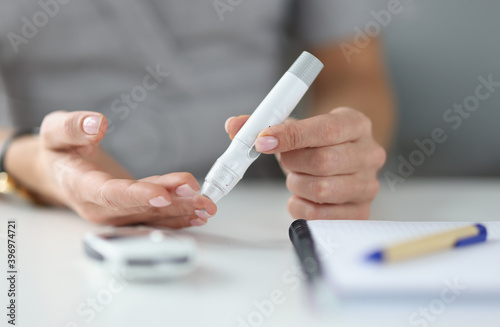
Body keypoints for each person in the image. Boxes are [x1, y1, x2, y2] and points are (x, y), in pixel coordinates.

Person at [0, 0, 395, 228]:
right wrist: (32, 162)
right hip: (49, 218)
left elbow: (354, 74)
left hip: (268, 211)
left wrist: (335, 154)